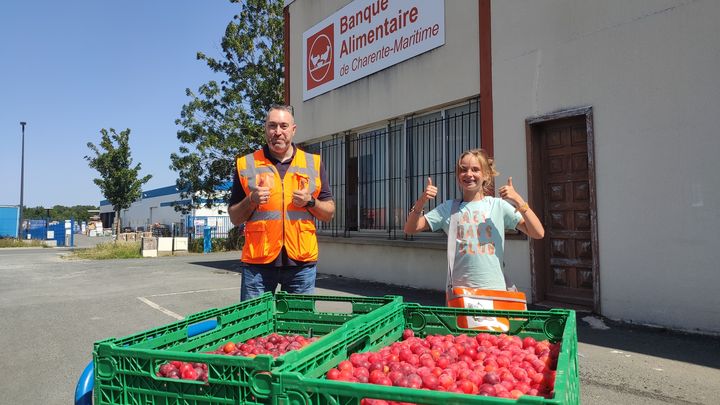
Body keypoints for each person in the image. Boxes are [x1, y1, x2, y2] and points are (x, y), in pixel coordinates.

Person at [228, 105, 335, 300]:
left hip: (301, 266)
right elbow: (235, 217)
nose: (278, 132)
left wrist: (311, 202)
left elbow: (329, 213)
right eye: (272, 126)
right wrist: (251, 200)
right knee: (255, 326)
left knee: (297, 328)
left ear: (293, 130)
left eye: (284, 126)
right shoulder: (247, 164)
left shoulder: (313, 163)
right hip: (257, 265)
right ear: (265, 129)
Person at [404, 148, 544, 292]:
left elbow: (538, 233)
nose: (469, 174)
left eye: (475, 169)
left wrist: (518, 201)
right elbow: (410, 229)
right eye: (463, 170)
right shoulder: (448, 208)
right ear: (458, 176)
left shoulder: (498, 206)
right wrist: (422, 201)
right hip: (461, 294)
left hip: (495, 291)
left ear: (486, 176)